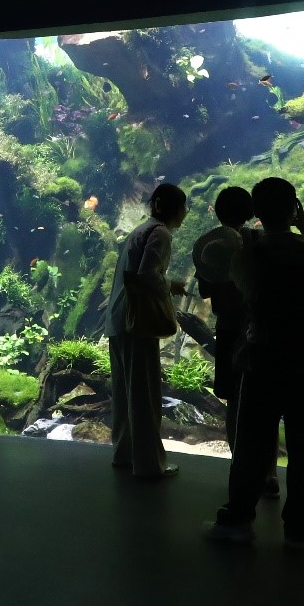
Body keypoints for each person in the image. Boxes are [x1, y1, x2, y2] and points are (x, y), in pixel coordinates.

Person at [204, 177, 304, 546]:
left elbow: (235, 282)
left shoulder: (249, 255)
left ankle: (238, 518)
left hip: (262, 357)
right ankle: (299, 529)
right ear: (295, 209)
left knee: (251, 443)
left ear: (257, 212)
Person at [192, 186, 280, 498]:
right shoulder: (259, 241)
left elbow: (205, 289)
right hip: (260, 329)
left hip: (229, 327)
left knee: (234, 402)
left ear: (217, 212)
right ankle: (270, 473)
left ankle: (239, 466)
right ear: (251, 212)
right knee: (266, 403)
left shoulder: (212, 246)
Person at [104, 183, 189, 480]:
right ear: (174, 208)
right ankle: (149, 465)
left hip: (119, 320)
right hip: (137, 323)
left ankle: (124, 455)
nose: (185, 213)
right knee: (144, 396)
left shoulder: (139, 230)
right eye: (184, 207)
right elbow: (147, 275)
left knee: (124, 393)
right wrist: (171, 285)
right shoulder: (160, 233)